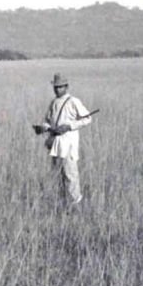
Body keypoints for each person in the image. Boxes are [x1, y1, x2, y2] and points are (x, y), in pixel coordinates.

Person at [39, 73, 92, 205]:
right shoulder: (53, 102)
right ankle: (62, 202)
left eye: (60, 87)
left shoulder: (74, 101)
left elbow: (87, 118)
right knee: (57, 175)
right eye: (56, 87)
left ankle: (76, 203)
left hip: (69, 144)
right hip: (55, 144)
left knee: (71, 175)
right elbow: (46, 120)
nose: (57, 89)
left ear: (66, 87)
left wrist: (69, 126)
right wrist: (46, 128)